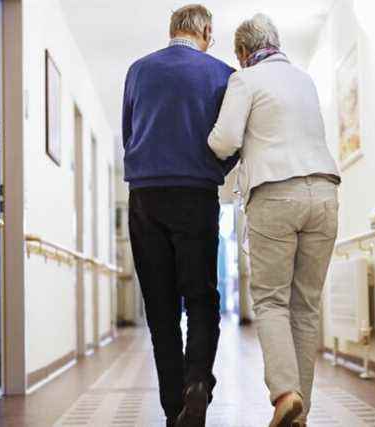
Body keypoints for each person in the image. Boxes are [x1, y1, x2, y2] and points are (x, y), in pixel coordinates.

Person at [208, 14, 341, 427]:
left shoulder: (246, 80)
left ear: (244, 53)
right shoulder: (304, 79)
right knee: (306, 307)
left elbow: (224, 140)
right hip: (324, 193)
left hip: (275, 193)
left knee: (270, 300)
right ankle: (299, 414)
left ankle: (285, 394)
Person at [121, 4, 236, 427]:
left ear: (172, 31)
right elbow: (232, 138)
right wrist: (214, 171)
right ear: (205, 30)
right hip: (196, 194)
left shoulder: (137, 70)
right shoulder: (223, 74)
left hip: (146, 196)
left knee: (161, 306)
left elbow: (128, 132)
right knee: (202, 297)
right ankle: (197, 384)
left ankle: (174, 408)